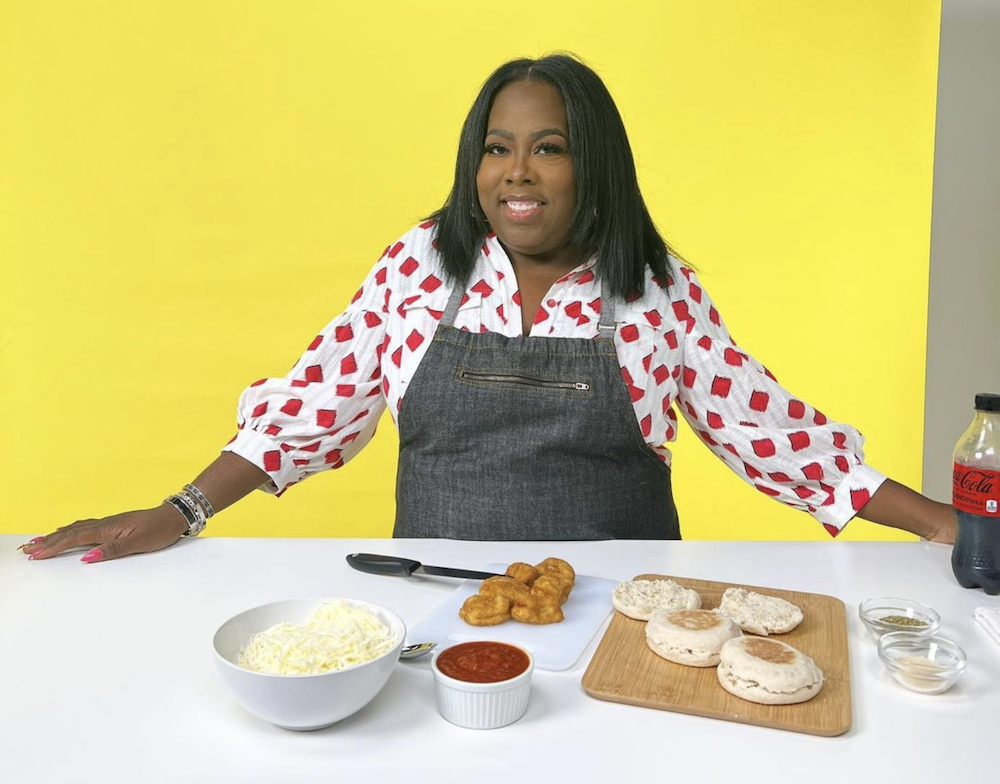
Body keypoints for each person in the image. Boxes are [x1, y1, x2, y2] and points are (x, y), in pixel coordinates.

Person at [21, 54, 956, 563]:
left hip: (622, 614)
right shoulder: (421, 265)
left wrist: (943, 524)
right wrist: (180, 509)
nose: (516, 171)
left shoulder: (652, 286)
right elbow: (314, 407)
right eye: (496, 146)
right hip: (441, 605)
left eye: (548, 147)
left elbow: (766, 432)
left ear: (594, 163)